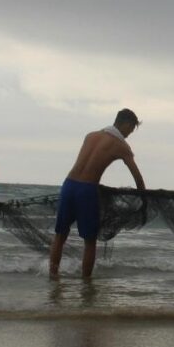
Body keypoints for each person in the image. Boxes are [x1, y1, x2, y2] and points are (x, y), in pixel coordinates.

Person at [49, 109, 146, 279]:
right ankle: (86, 283)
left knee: (60, 235)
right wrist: (144, 199)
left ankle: (52, 276)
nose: (129, 135)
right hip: (87, 191)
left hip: (68, 185)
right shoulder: (122, 146)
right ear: (126, 124)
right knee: (90, 241)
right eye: (130, 130)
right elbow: (137, 177)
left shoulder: (90, 136)